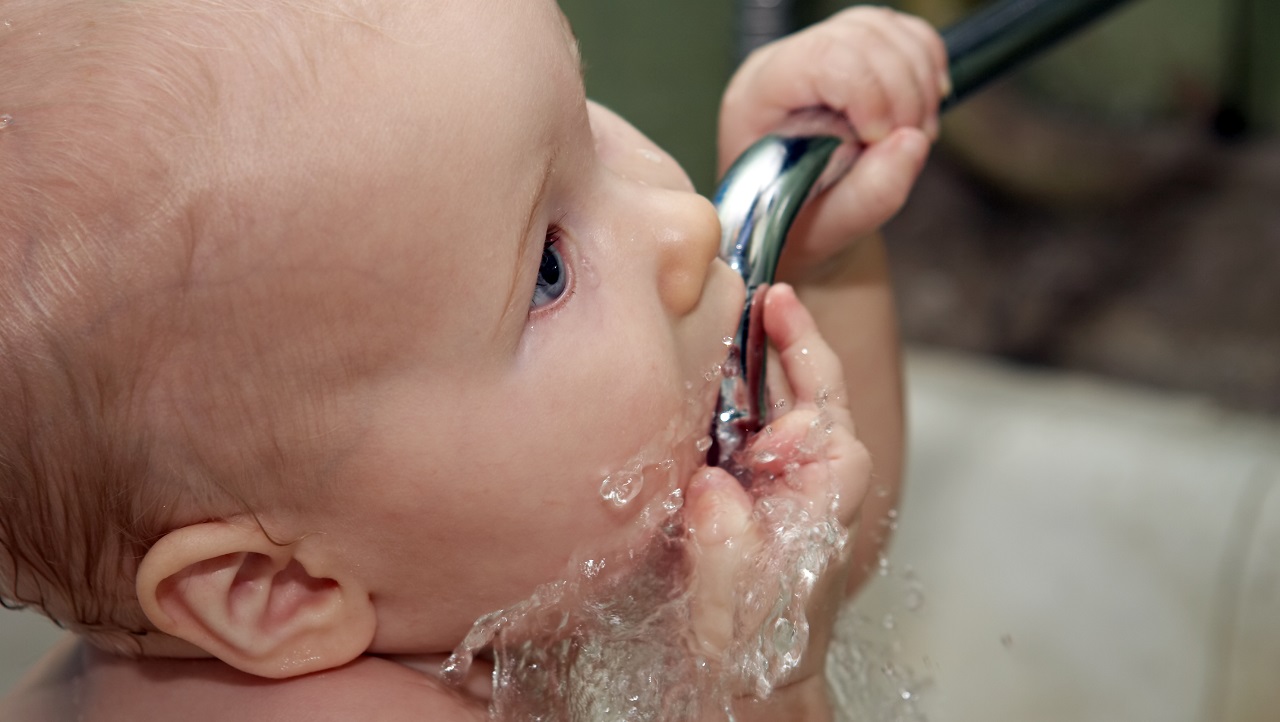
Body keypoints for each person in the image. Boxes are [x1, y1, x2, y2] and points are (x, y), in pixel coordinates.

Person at [0, 0, 946, 719]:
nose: (685, 223)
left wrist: (819, 255)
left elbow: (826, 551)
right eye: (546, 268)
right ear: (275, 591)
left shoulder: (444, 548)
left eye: (582, 112)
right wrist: (766, 691)